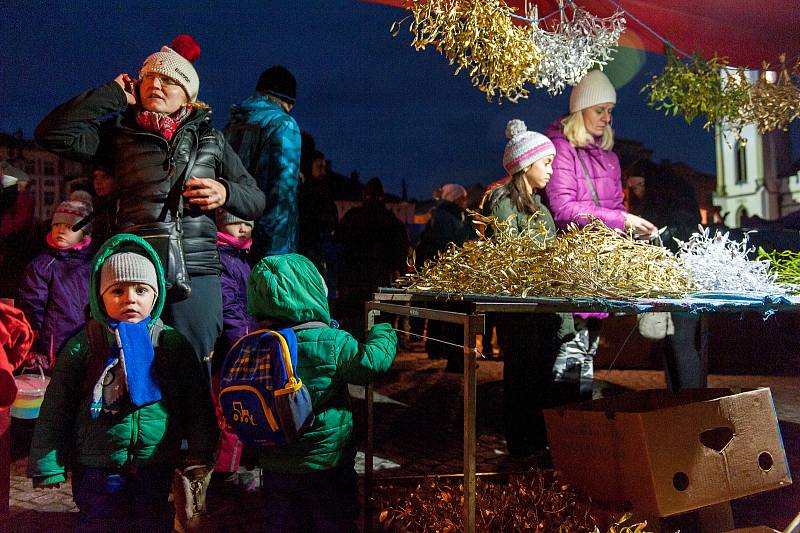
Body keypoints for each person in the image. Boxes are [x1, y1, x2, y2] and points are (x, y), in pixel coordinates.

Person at [34, 35, 266, 369]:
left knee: (192, 374)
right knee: (131, 371)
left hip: (197, 271)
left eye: (169, 79)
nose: (156, 84)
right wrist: (112, 95)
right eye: (150, 77)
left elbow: (256, 199)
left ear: (188, 93)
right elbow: (52, 133)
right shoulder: (117, 137)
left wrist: (225, 191)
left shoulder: (211, 140)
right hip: (133, 268)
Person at [27, 234, 218, 533]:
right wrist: (48, 463)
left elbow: (197, 403)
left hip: (153, 461)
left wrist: (201, 450)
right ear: (99, 296)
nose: (130, 298)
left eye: (141, 290)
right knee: (99, 522)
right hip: (96, 464)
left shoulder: (170, 343)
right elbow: (56, 406)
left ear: (155, 296)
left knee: (151, 521)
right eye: (117, 290)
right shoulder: (84, 344)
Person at [247, 253, 397, 532]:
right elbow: (371, 363)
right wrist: (384, 331)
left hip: (275, 462)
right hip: (326, 463)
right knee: (334, 521)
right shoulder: (331, 341)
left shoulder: (255, 342)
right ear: (311, 292)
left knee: (283, 525)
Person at [544, 70, 658, 403]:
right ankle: (566, 425)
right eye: (600, 110)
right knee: (570, 349)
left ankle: (578, 424)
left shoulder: (609, 157)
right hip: (571, 264)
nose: (607, 118)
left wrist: (629, 235)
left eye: (610, 111)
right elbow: (563, 209)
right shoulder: (561, 148)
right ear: (580, 110)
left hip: (598, 266)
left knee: (587, 347)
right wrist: (622, 220)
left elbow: (611, 207)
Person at [484, 120, 575, 456]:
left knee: (541, 378)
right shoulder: (503, 201)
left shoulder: (543, 211)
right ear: (525, 164)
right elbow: (510, 251)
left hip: (543, 310)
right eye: (546, 163)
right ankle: (522, 445)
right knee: (521, 378)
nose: (552, 171)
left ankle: (538, 441)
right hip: (520, 311)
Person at [633, 161, 704, 391]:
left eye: (639, 185)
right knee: (671, 342)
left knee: (680, 340)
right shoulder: (664, 197)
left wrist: (657, 236)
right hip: (665, 278)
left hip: (683, 276)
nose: (636, 192)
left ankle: (691, 401)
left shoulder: (672, 198)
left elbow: (685, 232)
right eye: (633, 188)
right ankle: (677, 399)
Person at [225, 65, 301, 260]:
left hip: (230, 236)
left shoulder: (232, 124)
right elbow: (282, 194)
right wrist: (277, 255)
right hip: (267, 245)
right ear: (289, 102)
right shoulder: (283, 124)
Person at [17, 200, 94, 371]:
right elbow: (31, 308)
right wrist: (34, 347)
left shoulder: (92, 266)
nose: (60, 230)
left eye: (69, 226)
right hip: (53, 349)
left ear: (85, 233)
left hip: (86, 345)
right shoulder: (42, 266)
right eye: (57, 224)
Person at [212, 208, 258, 482]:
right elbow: (229, 306)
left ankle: (234, 463)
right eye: (236, 223)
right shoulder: (222, 258)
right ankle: (225, 471)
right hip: (232, 348)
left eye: (247, 223)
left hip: (241, 343)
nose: (243, 228)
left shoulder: (238, 257)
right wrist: (244, 342)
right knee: (229, 409)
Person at [335, 177, 410, 339]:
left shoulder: (351, 218)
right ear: (382, 196)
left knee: (354, 329)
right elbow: (401, 255)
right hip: (380, 281)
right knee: (379, 329)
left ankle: (354, 361)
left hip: (353, 284)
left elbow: (339, 248)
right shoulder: (392, 222)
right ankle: (376, 362)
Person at [415, 183, 475, 371]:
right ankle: (453, 359)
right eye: (462, 197)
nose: (466, 201)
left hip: (452, 275)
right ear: (455, 198)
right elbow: (453, 242)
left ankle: (448, 355)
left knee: (450, 318)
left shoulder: (451, 215)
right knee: (452, 319)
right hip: (448, 275)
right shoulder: (444, 217)